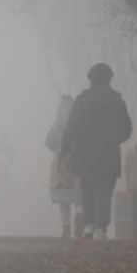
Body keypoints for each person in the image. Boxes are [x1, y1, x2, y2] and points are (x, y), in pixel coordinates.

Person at [61, 63, 132, 240]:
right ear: (109, 79)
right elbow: (127, 129)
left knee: (88, 189)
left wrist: (66, 150)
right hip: (109, 153)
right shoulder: (117, 101)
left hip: (86, 153)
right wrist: (115, 139)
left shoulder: (82, 101)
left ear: (91, 79)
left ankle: (89, 225)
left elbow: (71, 128)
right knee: (105, 190)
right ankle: (101, 228)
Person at [45, 95, 81, 238]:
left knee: (62, 197)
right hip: (76, 161)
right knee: (78, 194)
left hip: (61, 163)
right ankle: (80, 216)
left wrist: (60, 145)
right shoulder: (80, 120)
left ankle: (66, 228)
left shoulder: (57, 123)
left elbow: (49, 142)